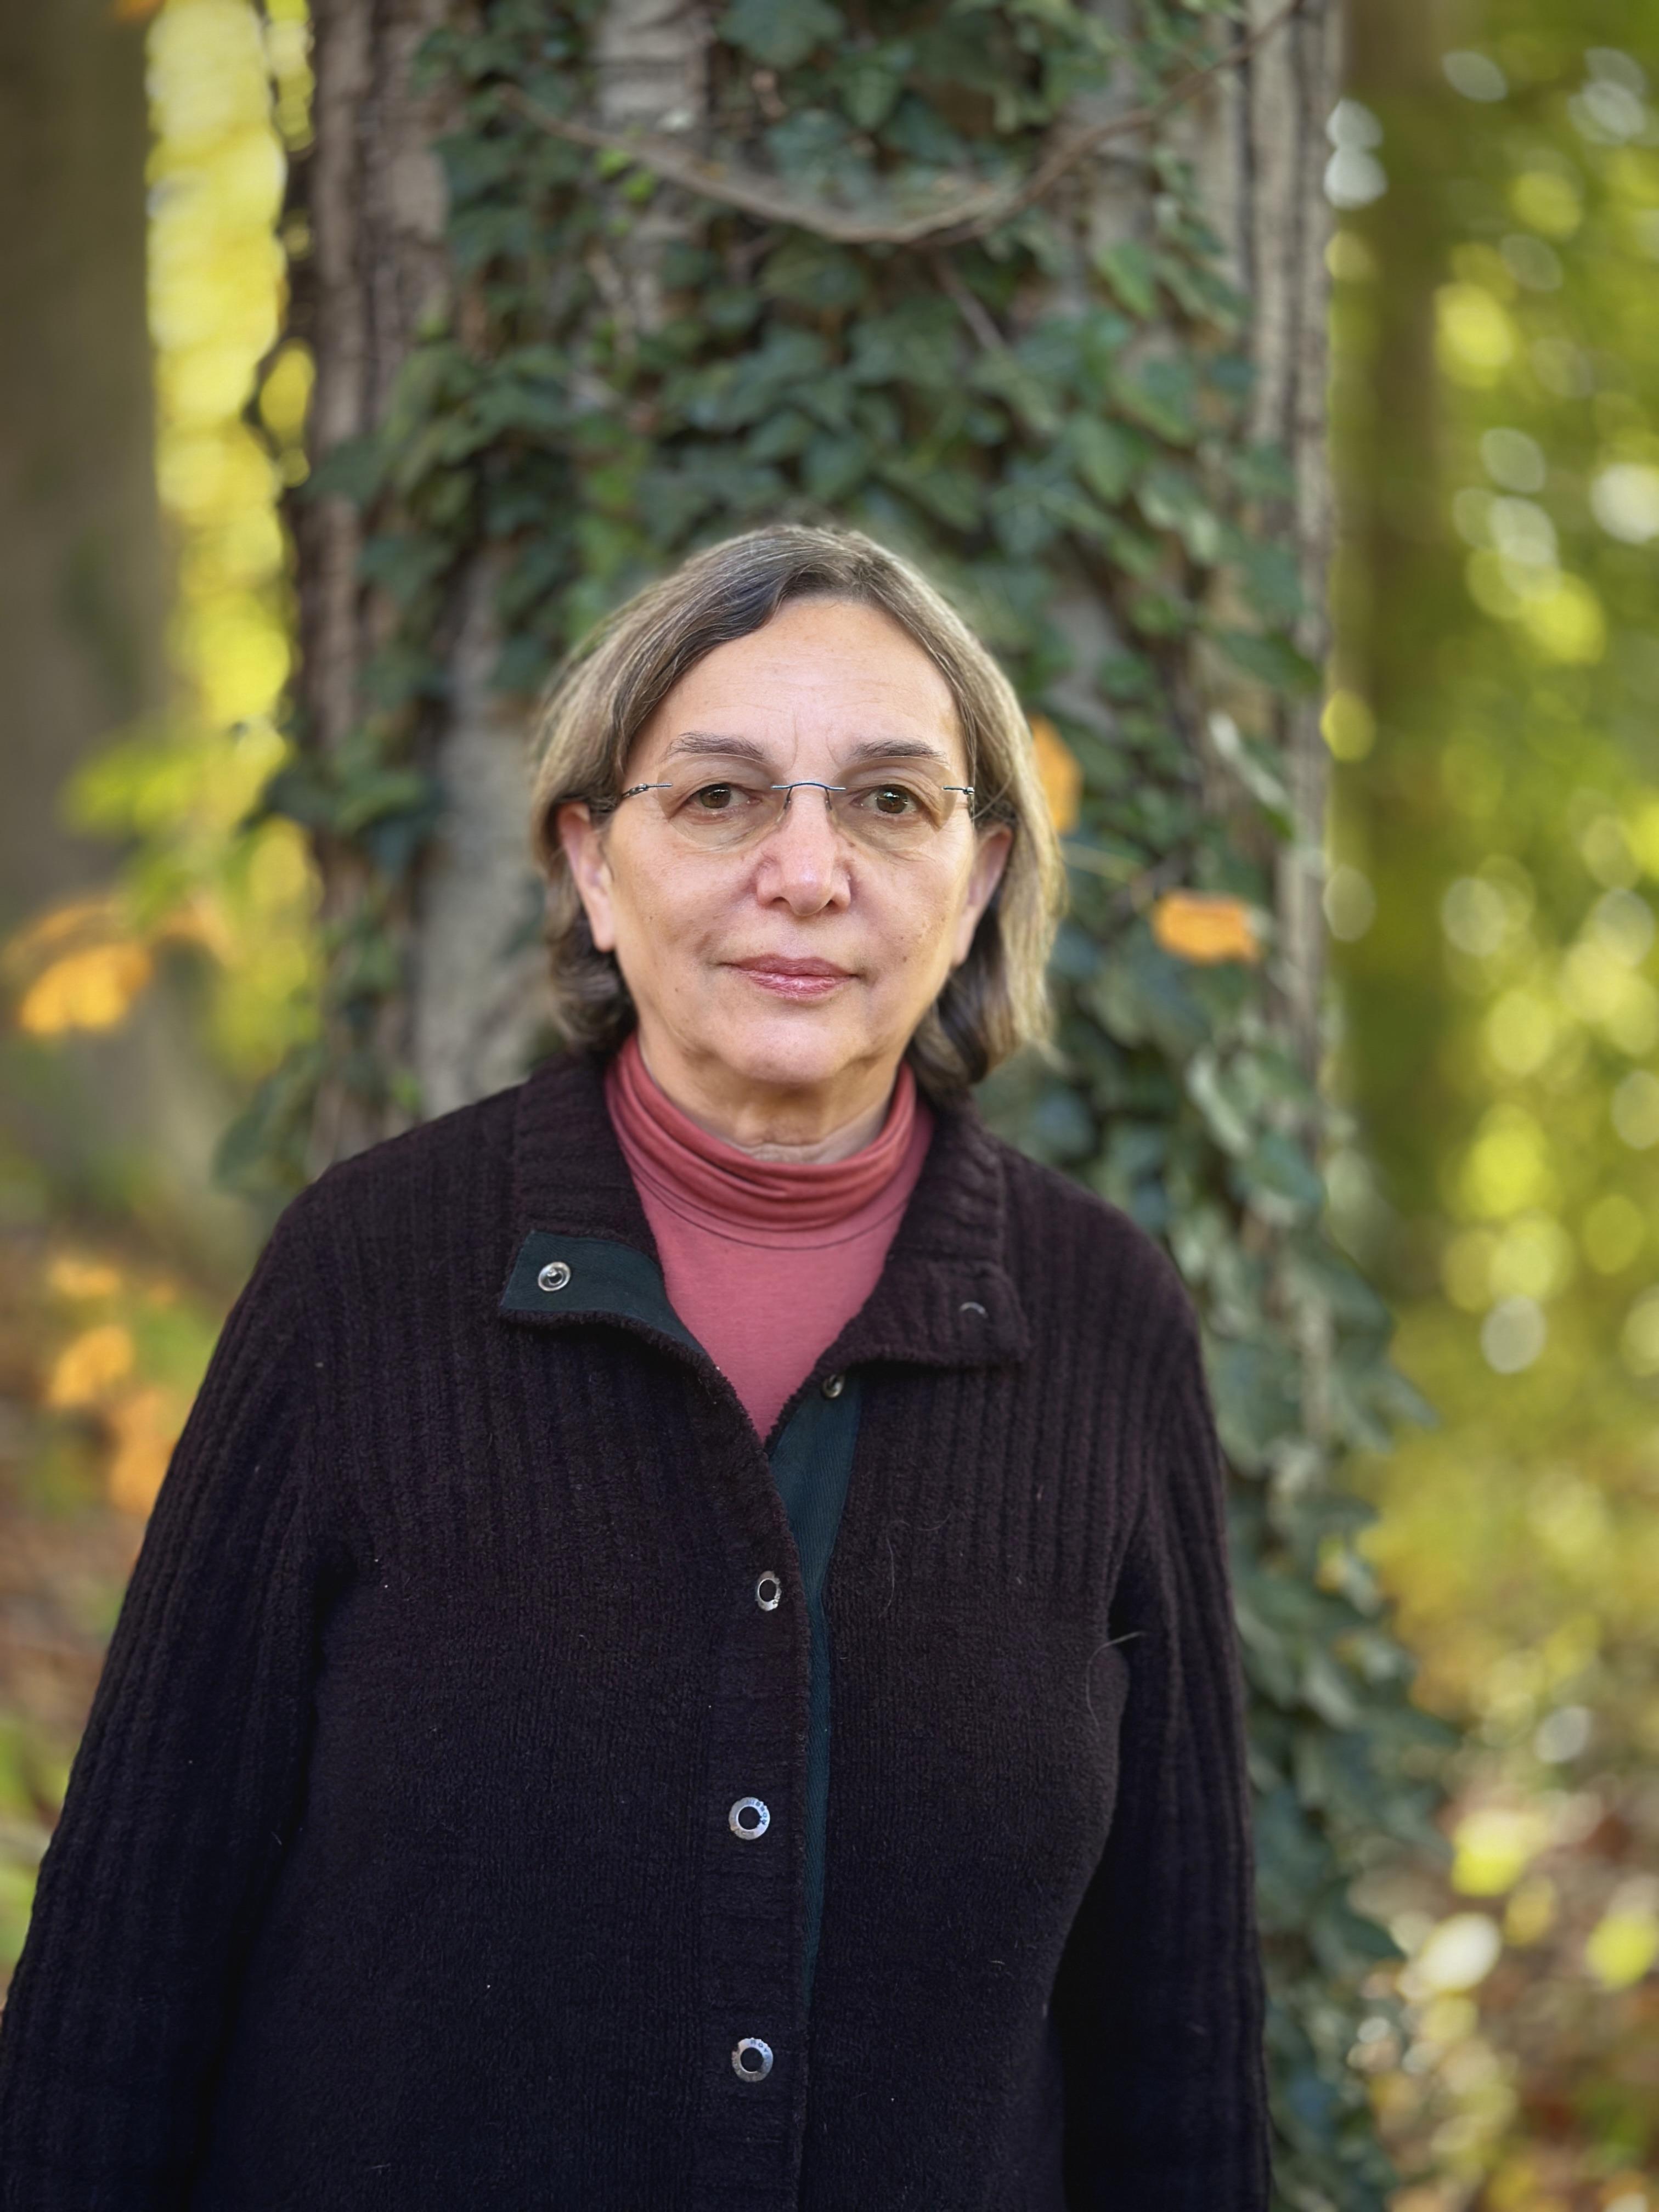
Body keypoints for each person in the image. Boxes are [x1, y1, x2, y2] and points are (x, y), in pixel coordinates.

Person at [0, 523, 1271, 2208]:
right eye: (723, 797)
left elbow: (1172, 2031)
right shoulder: (368, 1276)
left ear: (975, 884)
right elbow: (122, 1969)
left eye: (891, 801)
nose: (807, 872)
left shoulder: (1103, 1317)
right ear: (595, 865)